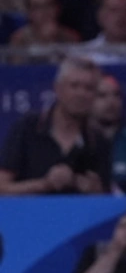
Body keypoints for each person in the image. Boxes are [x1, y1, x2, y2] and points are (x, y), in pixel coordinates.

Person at [0, 55, 110, 194]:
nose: (81, 94)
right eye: (74, 86)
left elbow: (109, 195)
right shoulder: (27, 128)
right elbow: (2, 188)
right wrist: (44, 184)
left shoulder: (98, 140)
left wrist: (96, 191)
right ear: (57, 88)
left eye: (89, 88)